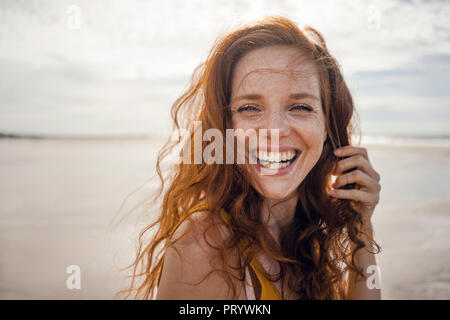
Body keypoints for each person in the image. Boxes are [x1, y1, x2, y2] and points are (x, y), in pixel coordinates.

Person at [118, 15, 381, 300]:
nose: (275, 131)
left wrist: (361, 228)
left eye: (301, 107)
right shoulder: (204, 243)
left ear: (328, 128)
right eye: (249, 108)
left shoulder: (307, 237)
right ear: (225, 126)